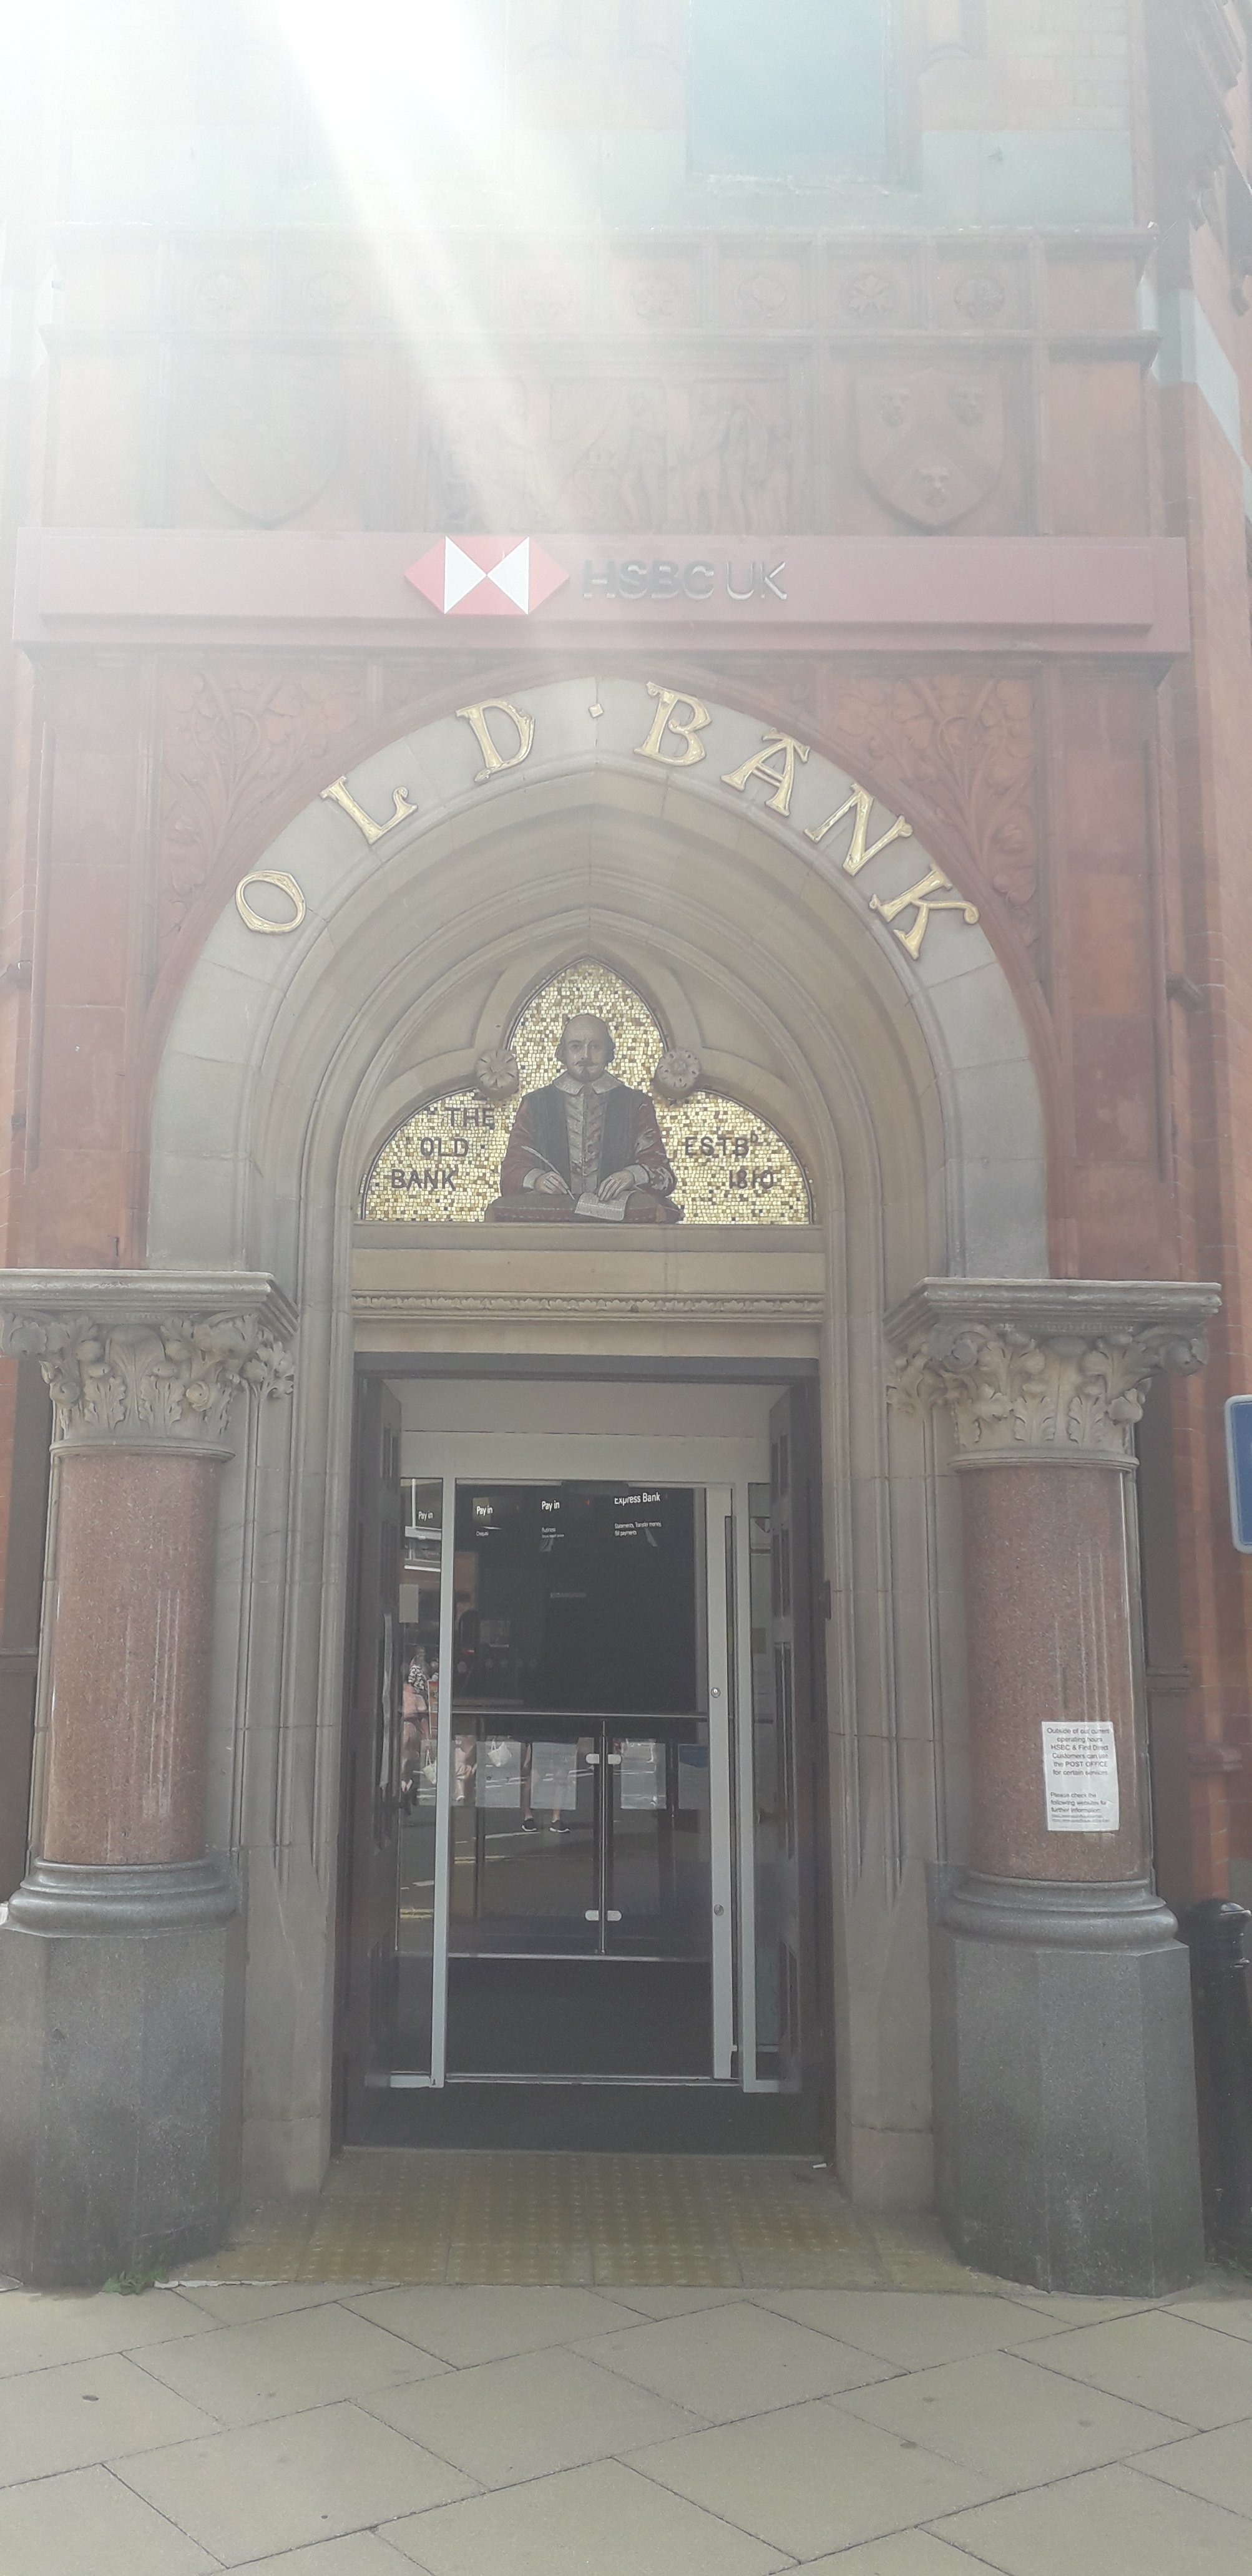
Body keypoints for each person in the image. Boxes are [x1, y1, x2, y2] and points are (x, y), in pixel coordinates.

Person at [494, 1012, 680, 1222]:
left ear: (609, 1052)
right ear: (563, 1052)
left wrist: (631, 1175)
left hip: (618, 1219)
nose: (586, 1056)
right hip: (552, 1216)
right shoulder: (536, 1104)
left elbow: (662, 1173)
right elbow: (512, 1170)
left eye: (595, 1047)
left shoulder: (635, 1104)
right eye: (576, 1047)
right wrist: (537, 1179)